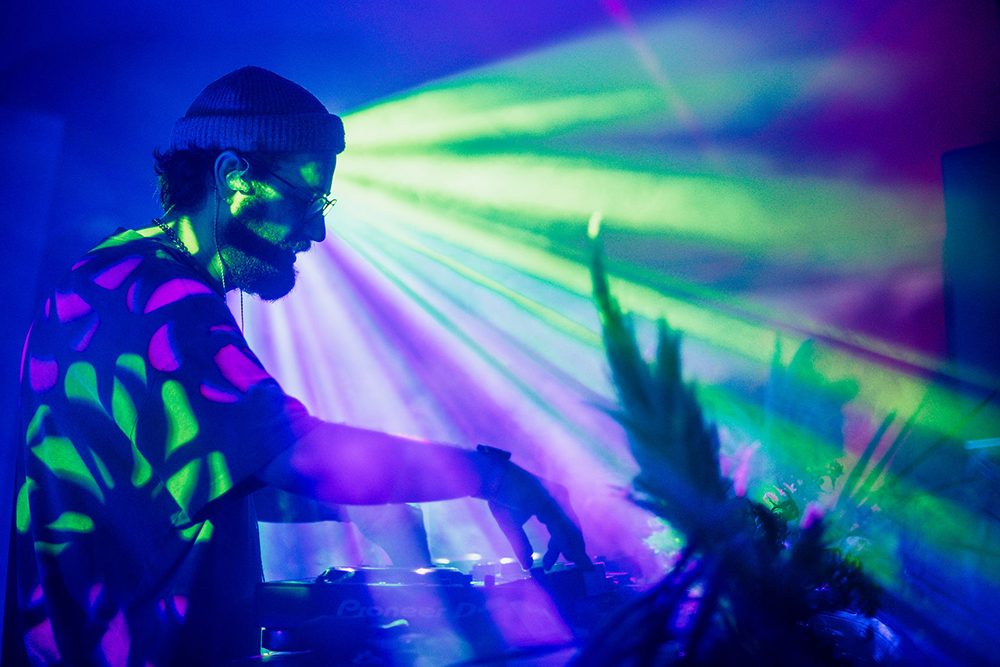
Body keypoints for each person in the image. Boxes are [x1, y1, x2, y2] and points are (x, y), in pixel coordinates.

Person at [11, 66, 589, 666]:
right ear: (234, 176)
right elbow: (298, 455)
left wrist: (361, 504)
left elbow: (200, 486)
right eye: (306, 200)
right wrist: (492, 477)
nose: (316, 229)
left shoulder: (110, 277)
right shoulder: (156, 296)